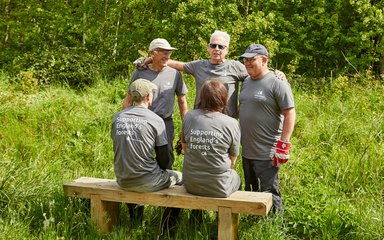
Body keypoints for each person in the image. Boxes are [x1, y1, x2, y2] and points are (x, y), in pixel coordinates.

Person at [135, 30, 286, 118]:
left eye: (221, 46)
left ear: (227, 50)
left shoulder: (236, 67)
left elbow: (258, 74)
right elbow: (177, 64)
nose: (217, 49)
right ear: (208, 47)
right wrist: (149, 59)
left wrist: (275, 73)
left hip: (226, 122)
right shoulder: (199, 66)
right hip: (200, 121)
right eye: (213, 45)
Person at [112, 78, 183, 233]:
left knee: (138, 173)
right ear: (149, 97)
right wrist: (160, 171)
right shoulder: (155, 120)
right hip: (147, 181)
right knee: (181, 178)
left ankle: (135, 220)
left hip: (122, 179)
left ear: (131, 96)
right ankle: (166, 229)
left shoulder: (117, 118)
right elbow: (164, 159)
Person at [238, 44, 296, 213]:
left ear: (264, 60)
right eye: (245, 60)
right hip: (247, 150)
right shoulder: (247, 81)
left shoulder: (277, 82)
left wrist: (284, 144)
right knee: (251, 193)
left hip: (267, 152)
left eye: (251, 59)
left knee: (270, 194)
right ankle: (256, 225)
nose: (247, 63)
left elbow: (290, 113)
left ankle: (276, 227)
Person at [123, 38, 188, 169]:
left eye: (169, 52)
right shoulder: (140, 72)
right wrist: (124, 122)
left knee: (165, 161)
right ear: (152, 53)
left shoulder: (175, 74)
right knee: (140, 158)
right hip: (142, 123)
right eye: (164, 52)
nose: (167, 56)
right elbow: (128, 100)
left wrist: (185, 128)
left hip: (165, 123)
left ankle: (166, 185)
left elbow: (182, 102)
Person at [181, 79, 241, 198]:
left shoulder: (189, 116)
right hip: (220, 186)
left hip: (191, 184)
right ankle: (223, 214)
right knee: (237, 178)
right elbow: (232, 161)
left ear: (202, 97)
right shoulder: (232, 123)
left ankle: (196, 214)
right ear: (224, 98)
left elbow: (184, 149)